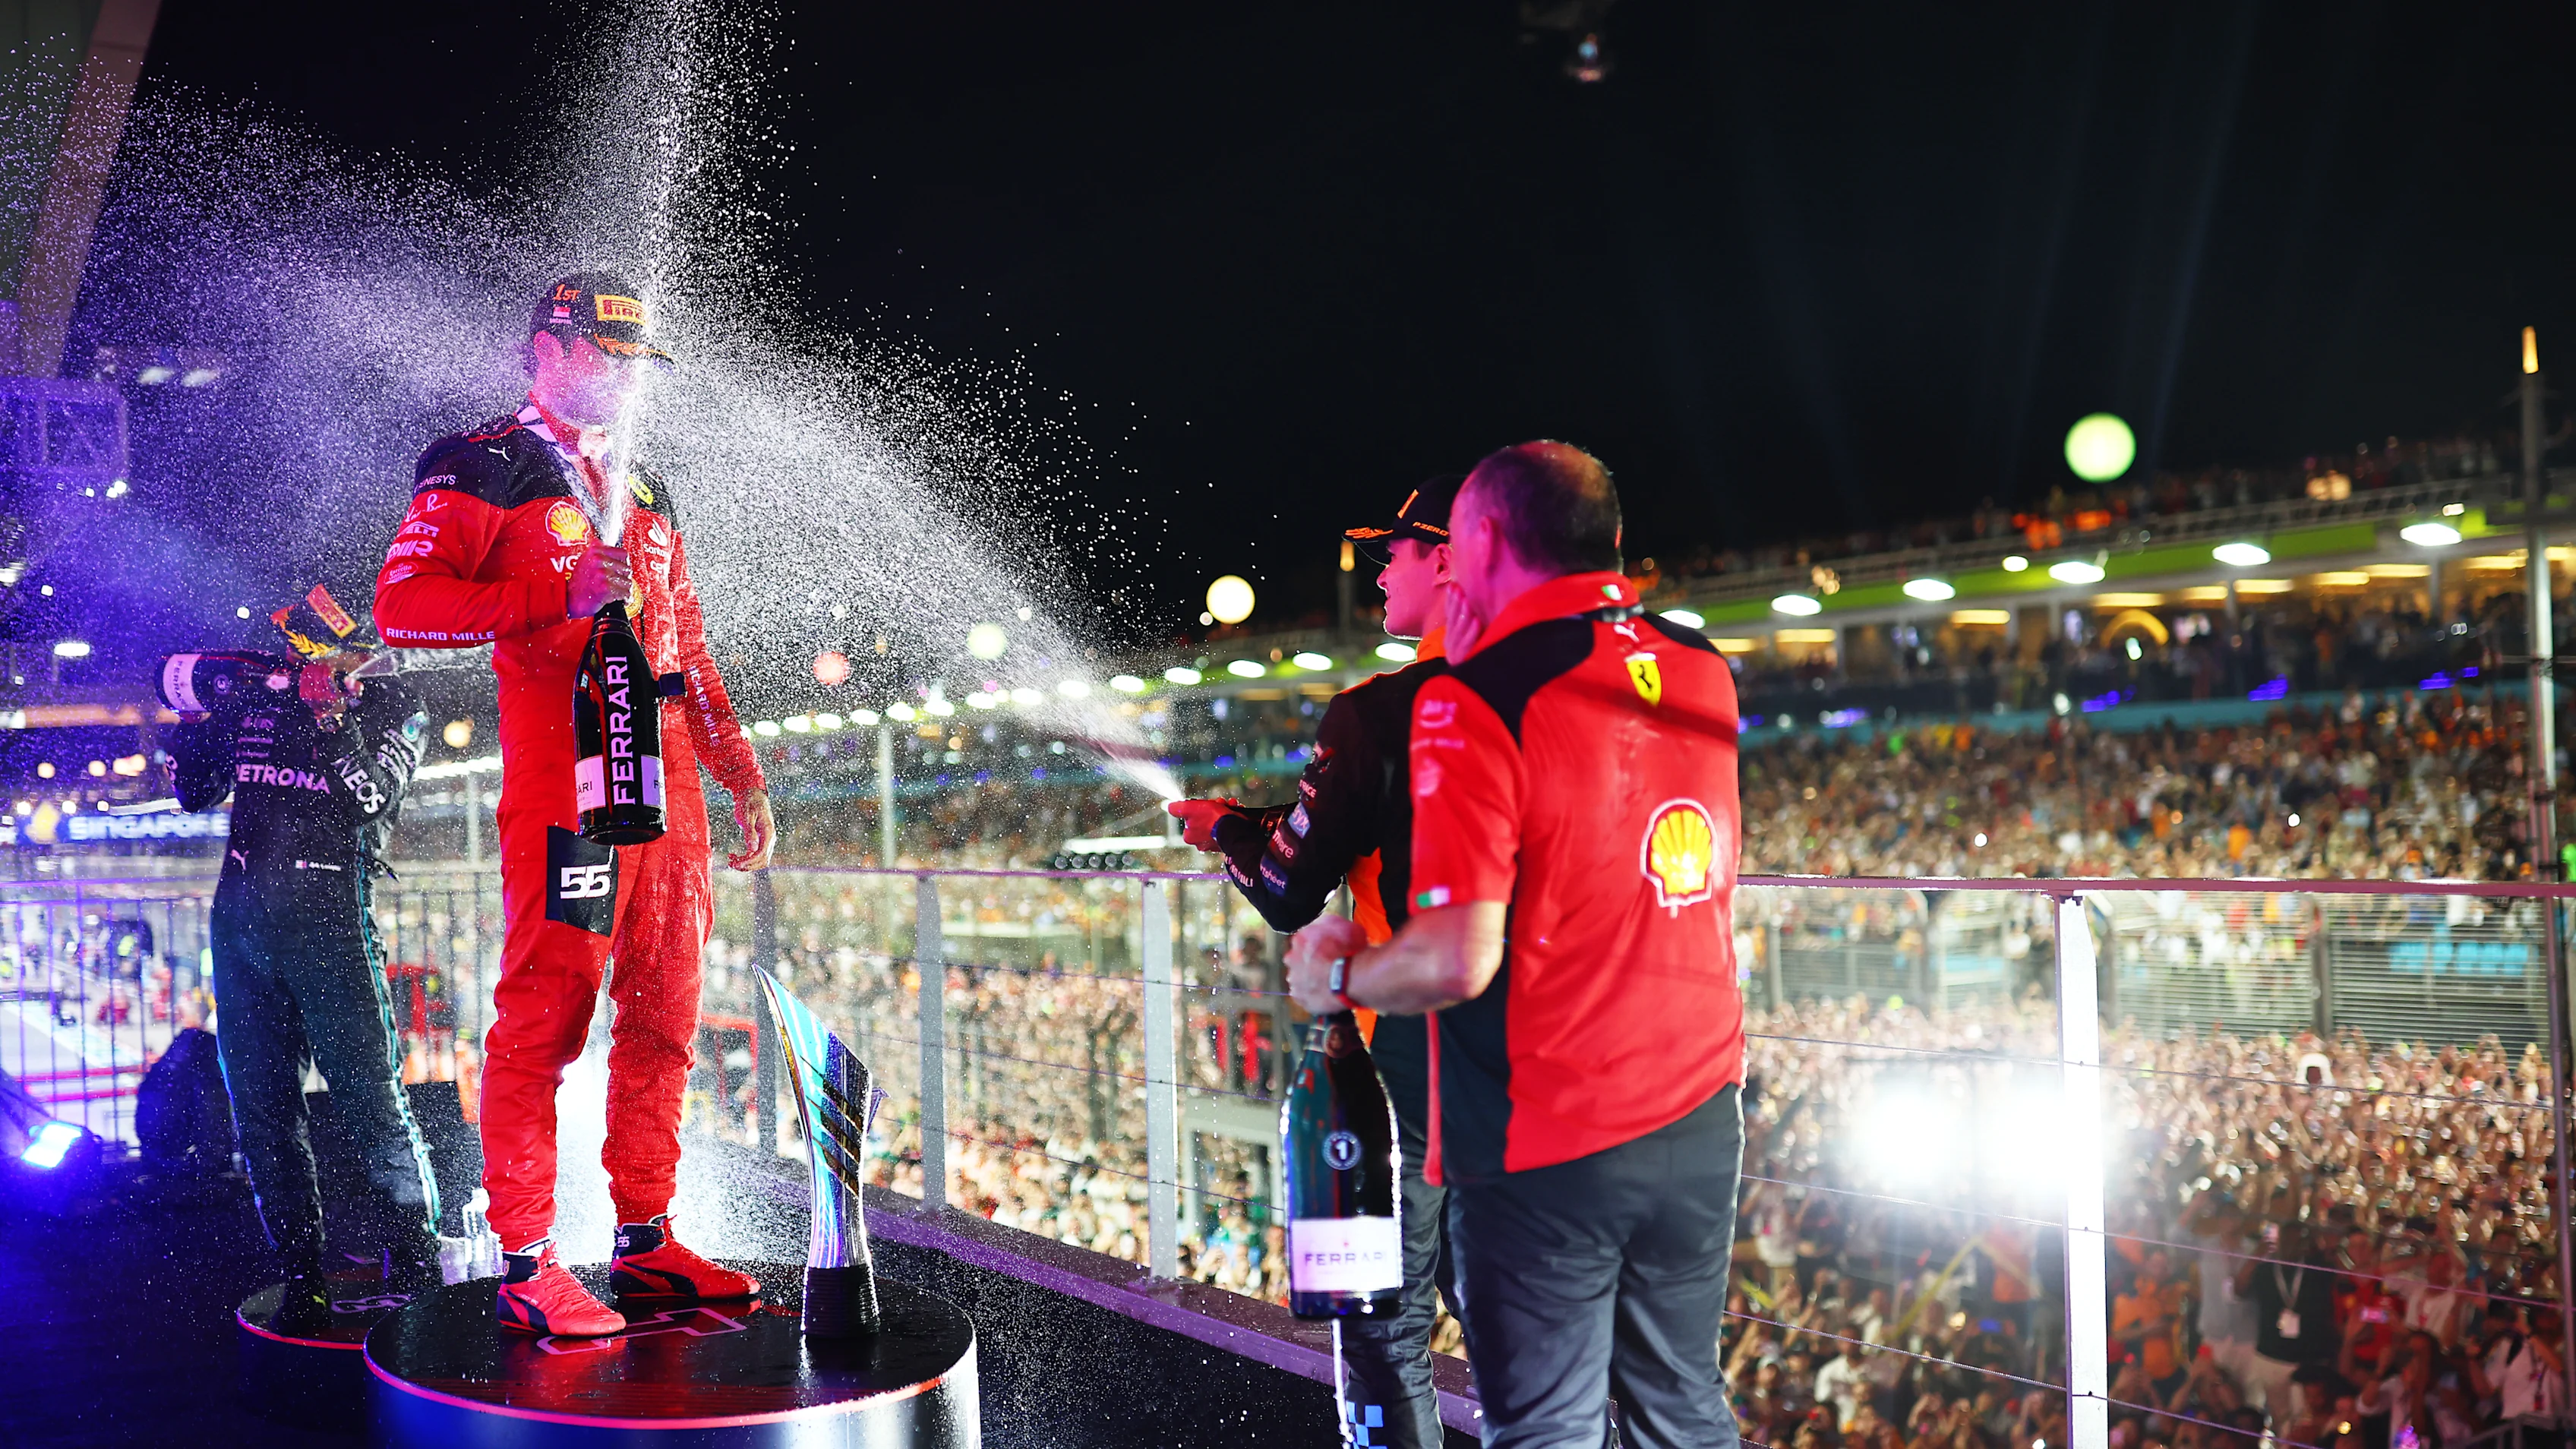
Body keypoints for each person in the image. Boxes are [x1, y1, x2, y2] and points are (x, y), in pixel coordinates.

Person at [1285, 440, 1746, 1447]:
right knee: (1682, 1410)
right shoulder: (1702, 665)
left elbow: (1455, 955)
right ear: (1609, 541)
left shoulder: (1476, 694)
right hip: (1705, 1113)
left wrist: (1338, 974)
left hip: (1553, 1137)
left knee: (1544, 1428)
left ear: (1481, 543)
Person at [373, 271, 775, 1336]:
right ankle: (527, 1262)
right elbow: (403, 610)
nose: (622, 376)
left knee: (666, 1015)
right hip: (567, 778)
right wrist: (557, 592)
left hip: (672, 775)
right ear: (543, 351)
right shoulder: (480, 463)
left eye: (636, 360)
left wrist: (739, 769)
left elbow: (684, 646)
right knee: (546, 1016)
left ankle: (645, 1241)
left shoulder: (649, 487)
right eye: (604, 353)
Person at [1167, 476, 1463, 1448]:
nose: (1382, 569)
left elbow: (1293, 887)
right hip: (1540, 1063)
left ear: (1450, 561)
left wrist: (1228, 840)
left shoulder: (1377, 711)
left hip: (1408, 1066)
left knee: (1383, 1327)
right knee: (1526, 1342)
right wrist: (1239, 824)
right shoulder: (1540, 698)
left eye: (1398, 551)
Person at [169, 626, 438, 1329]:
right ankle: (302, 1278)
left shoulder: (398, 705)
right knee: (262, 1114)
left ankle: (418, 1275)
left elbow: (371, 800)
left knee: (373, 1108)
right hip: (240, 930)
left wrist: (331, 716)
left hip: (331, 930)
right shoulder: (262, 698)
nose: (312, 659)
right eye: (304, 647)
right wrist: (198, 717)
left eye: (333, 646)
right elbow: (194, 793)